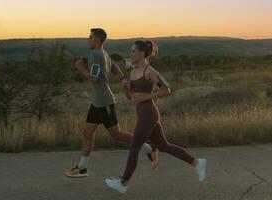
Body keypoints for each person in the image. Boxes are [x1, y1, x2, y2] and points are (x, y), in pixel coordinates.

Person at [105, 40, 206, 193]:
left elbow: (167, 90)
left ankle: (123, 183)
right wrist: (126, 88)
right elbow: (130, 97)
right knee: (164, 146)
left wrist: (147, 96)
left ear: (142, 53)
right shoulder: (133, 72)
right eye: (131, 51)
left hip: (148, 114)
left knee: (134, 148)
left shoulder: (150, 72)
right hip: (143, 113)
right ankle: (197, 163)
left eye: (133, 51)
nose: (130, 54)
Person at [65, 29, 159, 178]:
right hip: (97, 101)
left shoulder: (95, 55)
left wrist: (80, 67)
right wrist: (105, 83)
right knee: (87, 133)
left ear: (97, 40)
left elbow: (94, 79)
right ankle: (82, 168)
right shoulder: (106, 54)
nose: (88, 39)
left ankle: (149, 147)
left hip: (104, 102)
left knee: (116, 135)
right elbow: (119, 73)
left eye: (90, 37)